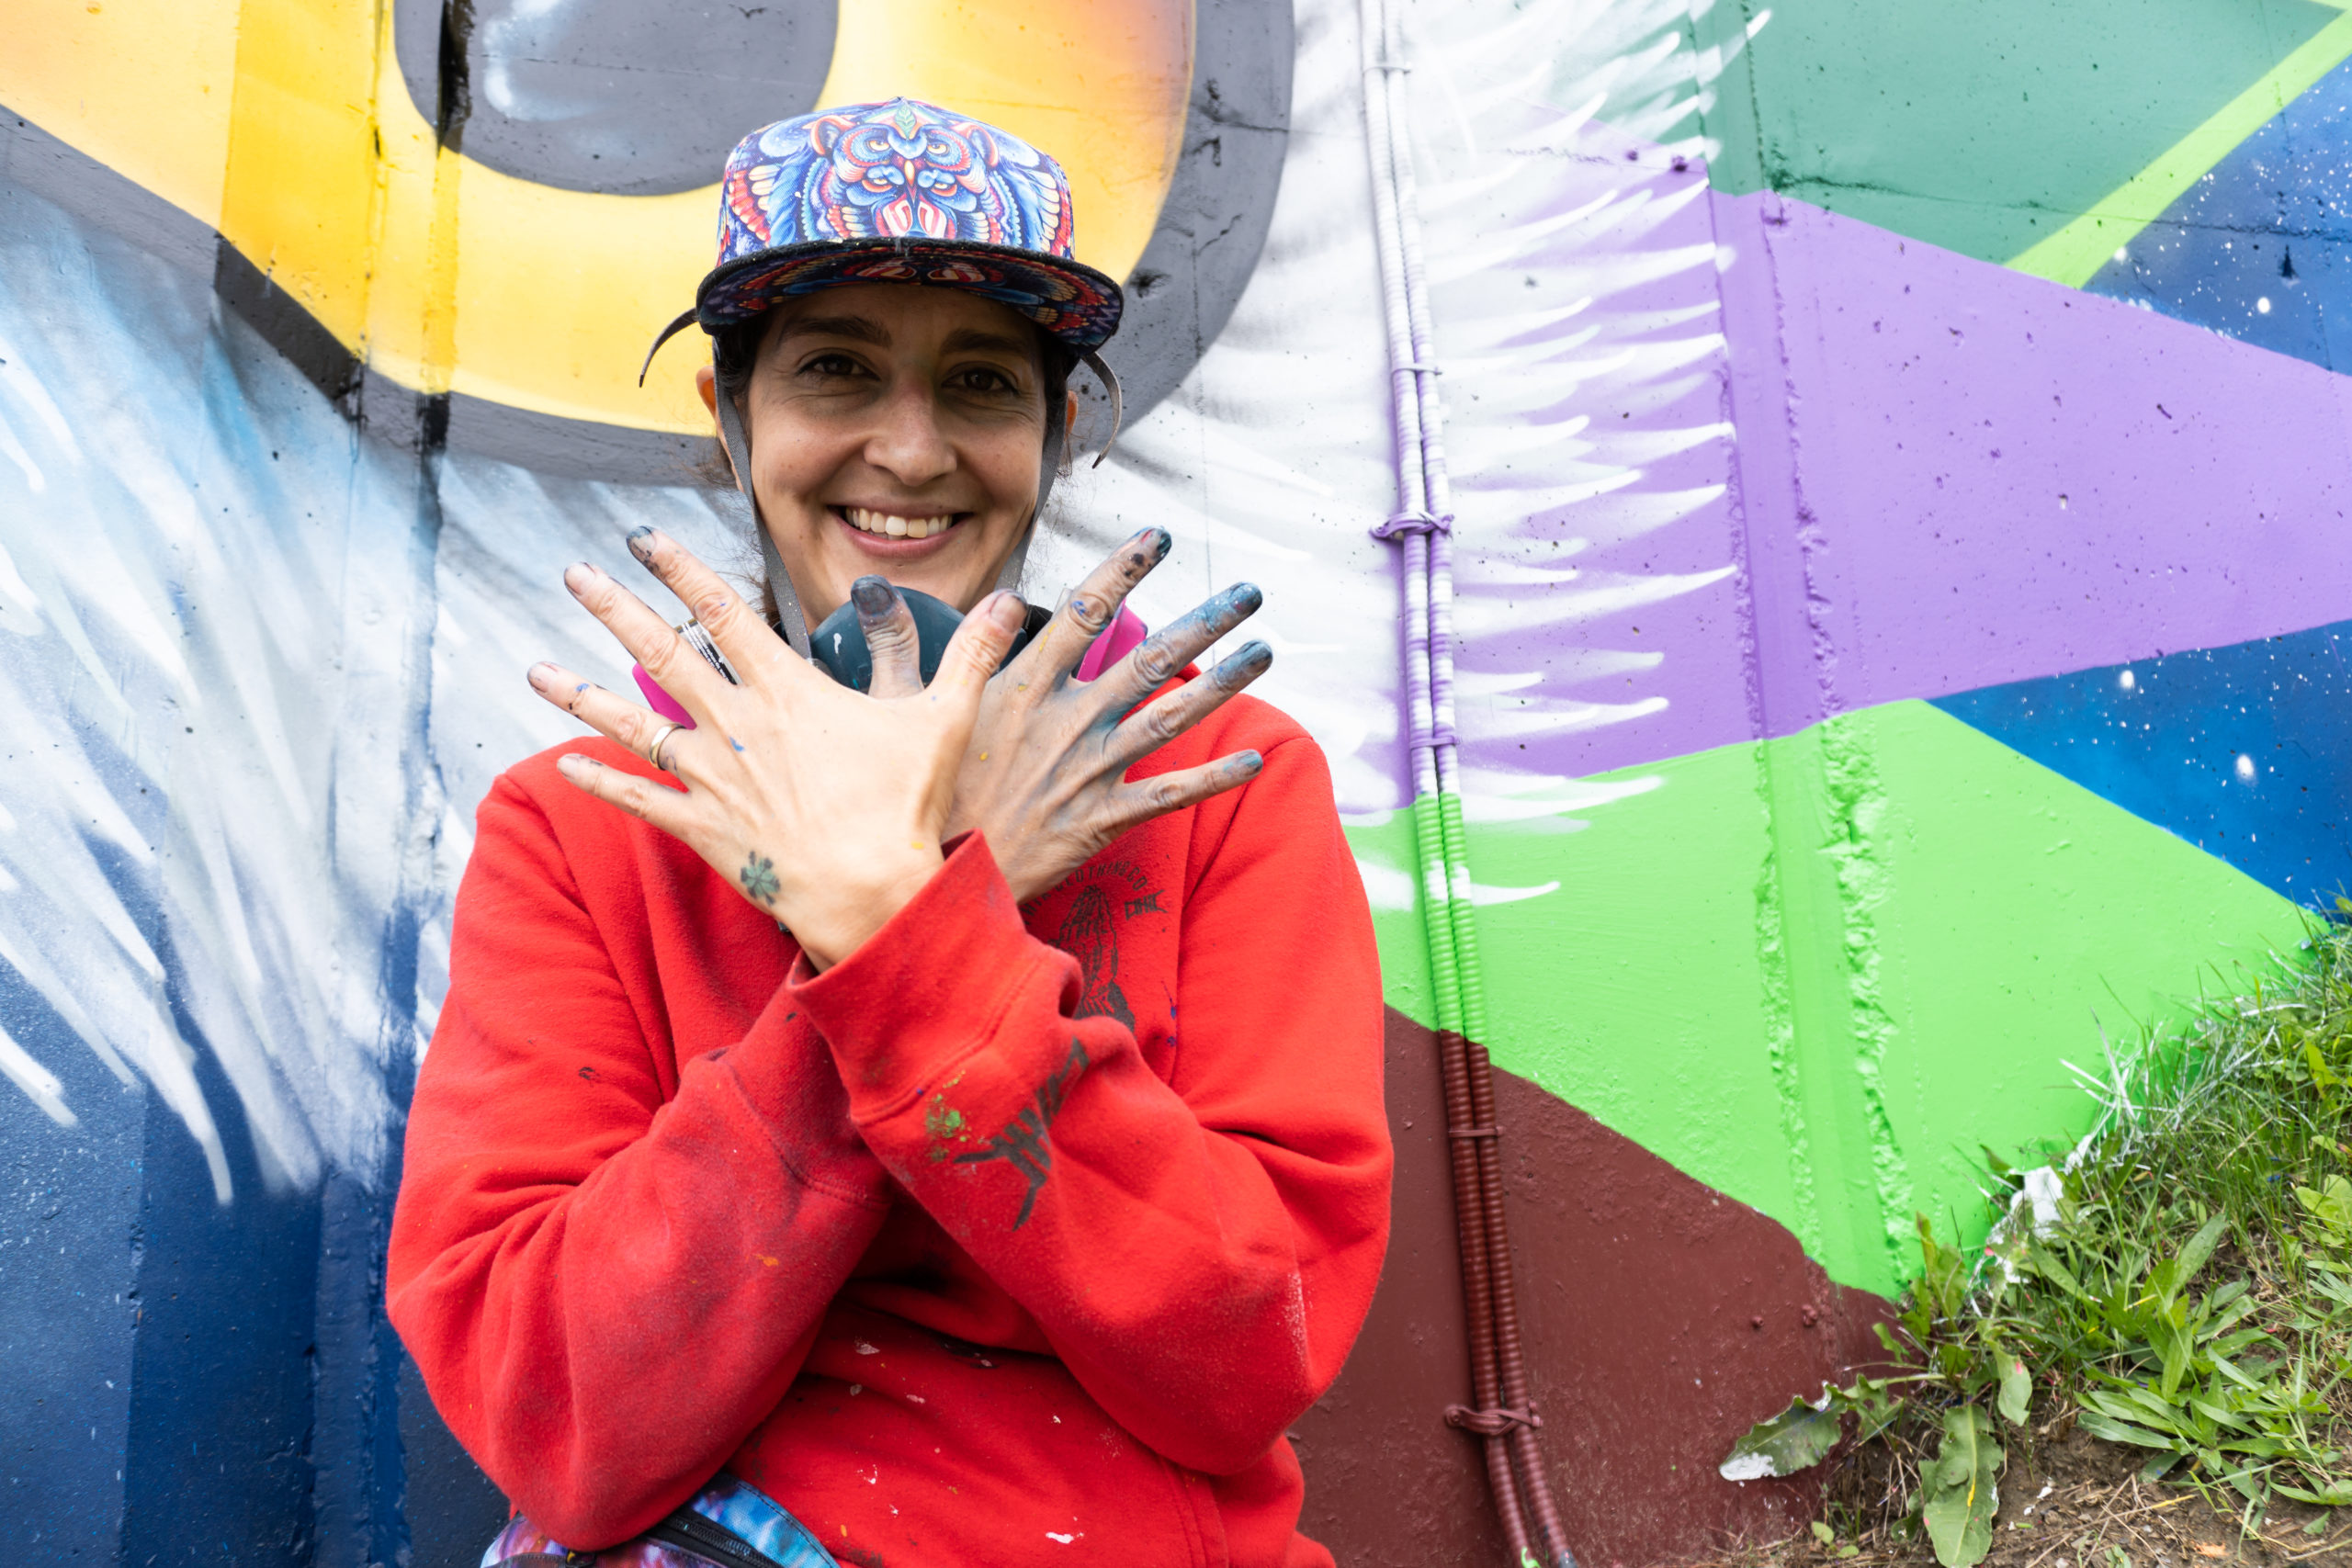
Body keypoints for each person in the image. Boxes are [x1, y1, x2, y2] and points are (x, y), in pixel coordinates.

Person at [387, 97, 1392, 1567]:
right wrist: (899, 920)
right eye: (837, 371)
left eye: (981, 383)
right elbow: (565, 1424)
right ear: (733, 424)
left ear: (1059, 432)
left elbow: (1240, 1363)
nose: (910, 453)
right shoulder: (583, 828)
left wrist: (912, 933)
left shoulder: (1218, 778)